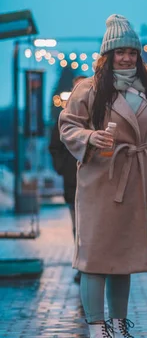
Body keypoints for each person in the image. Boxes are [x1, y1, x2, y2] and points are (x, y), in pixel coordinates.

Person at [59, 14, 147, 338]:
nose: (126, 57)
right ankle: (97, 333)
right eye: (119, 52)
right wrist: (88, 136)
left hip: (134, 178)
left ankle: (118, 327)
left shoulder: (143, 86)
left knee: (125, 256)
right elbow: (67, 125)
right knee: (96, 257)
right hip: (101, 179)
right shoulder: (89, 88)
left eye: (132, 51)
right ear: (107, 55)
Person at [49, 76, 86, 283]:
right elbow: (55, 147)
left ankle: (92, 266)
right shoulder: (64, 116)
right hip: (72, 182)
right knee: (78, 226)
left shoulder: (97, 114)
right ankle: (82, 265)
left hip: (95, 183)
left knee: (94, 226)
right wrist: (63, 169)